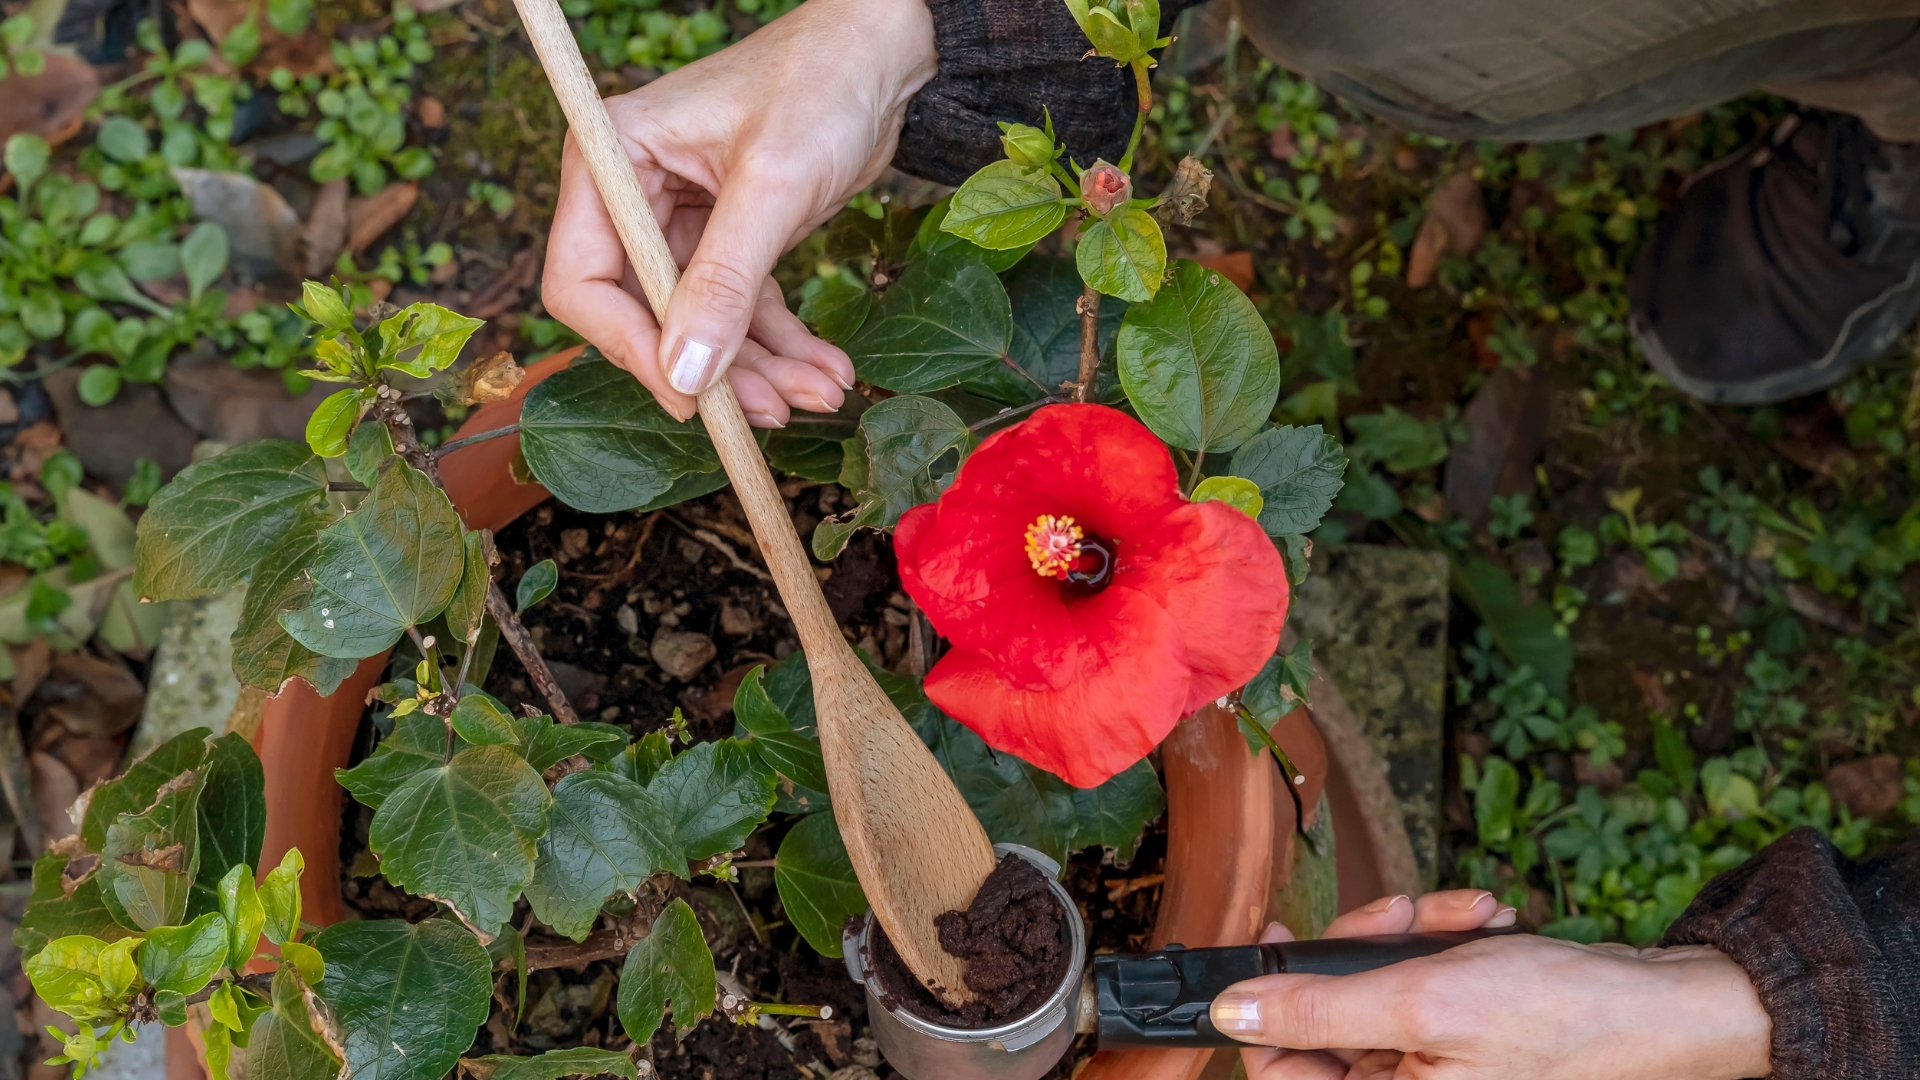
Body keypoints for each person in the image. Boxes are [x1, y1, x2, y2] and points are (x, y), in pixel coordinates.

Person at [541, 0, 1920, 1075]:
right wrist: (907, 31)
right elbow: (1010, 548)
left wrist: (1753, 1012)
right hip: (1079, 516)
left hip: (1115, 536)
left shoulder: (1120, 541)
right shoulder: (1048, 525)